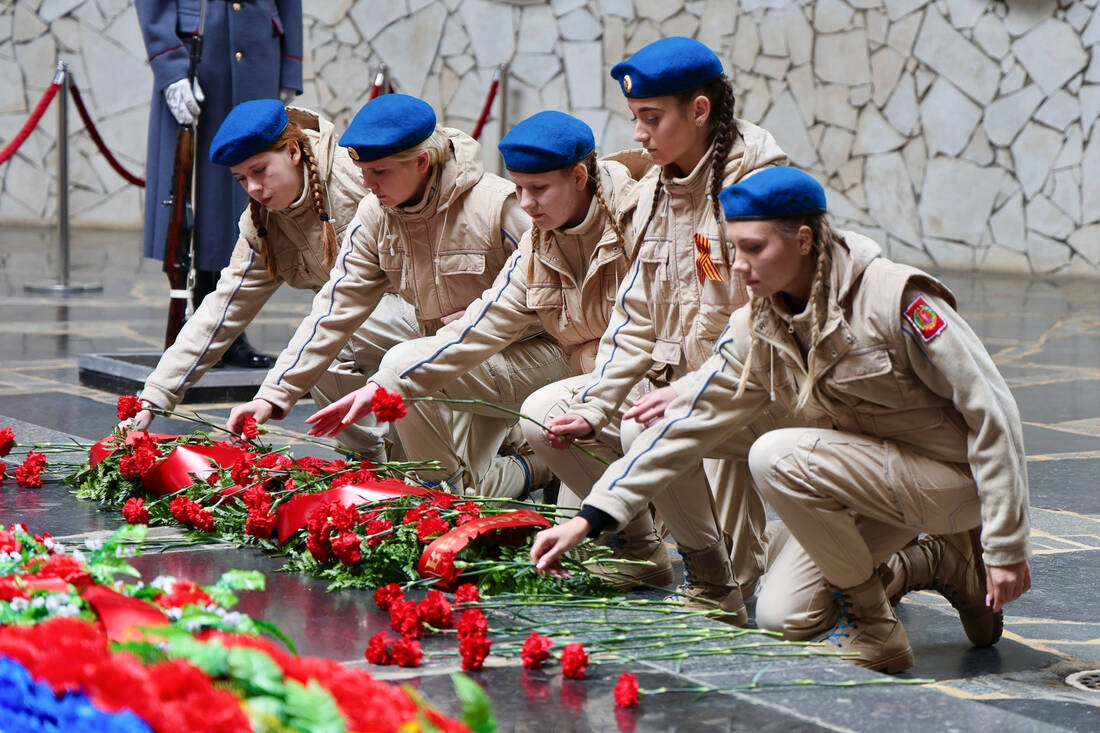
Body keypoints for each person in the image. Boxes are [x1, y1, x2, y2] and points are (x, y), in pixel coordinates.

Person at [530, 167, 1032, 673]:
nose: (739, 266)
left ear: (805, 239)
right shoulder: (759, 322)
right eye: (733, 250)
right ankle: (937, 562)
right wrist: (587, 519)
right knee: (782, 616)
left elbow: (992, 411)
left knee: (776, 455)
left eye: (754, 249)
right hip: (872, 482)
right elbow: (686, 425)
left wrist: (1005, 546)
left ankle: (877, 631)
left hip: (949, 479)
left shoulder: (893, 298)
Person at [304, 112, 655, 563]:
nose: (525, 204)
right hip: (574, 386)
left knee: (589, 490)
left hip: (642, 385)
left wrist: (599, 405)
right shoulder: (540, 240)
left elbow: (651, 332)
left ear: (579, 176)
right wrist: (382, 385)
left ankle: (709, 575)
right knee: (546, 537)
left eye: (538, 189)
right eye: (520, 188)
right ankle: (460, 490)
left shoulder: (639, 223)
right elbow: (483, 325)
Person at [521, 37, 789, 615]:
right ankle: (639, 551)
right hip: (672, 385)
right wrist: (596, 405)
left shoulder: (760, 192)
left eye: (651, 118)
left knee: (766, 593)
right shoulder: (654, 193)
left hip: (752, 389)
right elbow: (636, 320)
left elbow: (769, 329)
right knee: (546, 413)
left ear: (699, 111)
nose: (639, 134)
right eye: (635, 119)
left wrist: (686, 393)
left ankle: (715, 580)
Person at [226, 95, 561, 498]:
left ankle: (443, 491)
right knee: (470, 490)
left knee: (404, 363)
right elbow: (335, 307)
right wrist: (273, 395)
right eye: (363, 171)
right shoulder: (375, 213)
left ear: (422, 161)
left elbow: (569, 302)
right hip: (449, 360)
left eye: (379, 172)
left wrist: (489, 317)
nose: (368, 184)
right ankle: (519, 470)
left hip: (537, 359)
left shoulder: (498, 206)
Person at [121, 99, 418, 463]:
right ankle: (367, 461)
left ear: (292, 151)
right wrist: (154, 396)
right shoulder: (261, 223)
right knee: (324, 338)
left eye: (260, 170)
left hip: (425, 317)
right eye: (242, 178)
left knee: (331, 332)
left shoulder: (355, 177)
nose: (254, 188)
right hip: (351, 318)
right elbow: (221, 310)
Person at [136, 0, 304, 367]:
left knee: (239, 198)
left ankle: (228, 328)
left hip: (260, 48)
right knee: (190, 196)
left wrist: (290, 66)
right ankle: (195, 319)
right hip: (196, 50)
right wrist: (169, 63)